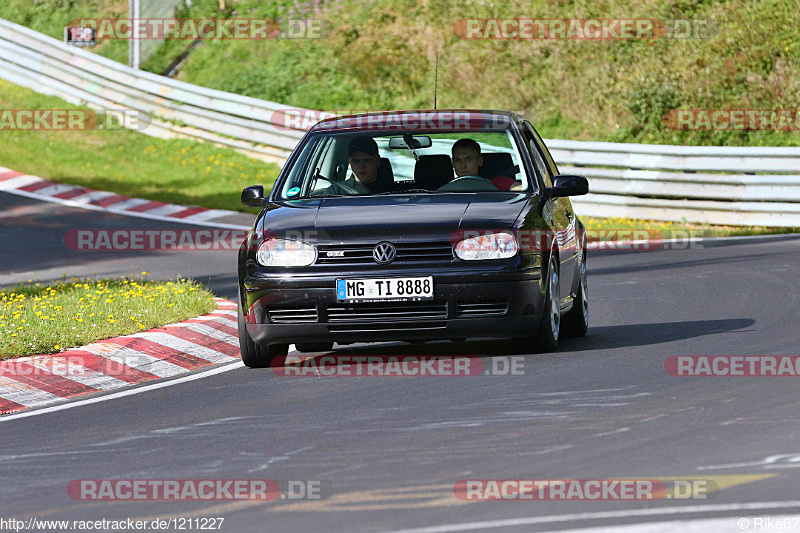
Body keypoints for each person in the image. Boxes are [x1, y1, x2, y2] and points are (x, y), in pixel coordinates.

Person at [315, 136, 392, 195]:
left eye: (367, 160)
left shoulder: (395, 192)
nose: (361, 166)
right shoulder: (335, 193)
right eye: (356, 161)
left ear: (377, 161)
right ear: (350, 163)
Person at [451, 138, 522, 191]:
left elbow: (520, 190)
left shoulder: (498, 182)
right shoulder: (443, 190)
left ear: (479, 161)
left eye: (468, 159)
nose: (463, 166)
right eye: (458, 160)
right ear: (453, 163)